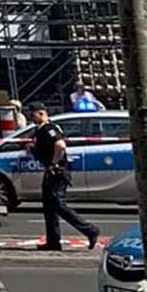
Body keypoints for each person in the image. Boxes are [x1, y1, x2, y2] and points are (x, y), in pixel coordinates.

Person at [26, 102, 99, 250]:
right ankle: (53, 241)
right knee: (49, 207)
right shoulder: (40, 130)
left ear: (41, 113)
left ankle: (89, 230)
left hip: (57, 171)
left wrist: (54, 163)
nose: (30, 117)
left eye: (32, 114)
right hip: (51, 170)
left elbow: (60, 145)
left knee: (58, 205)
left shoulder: (49, 128)